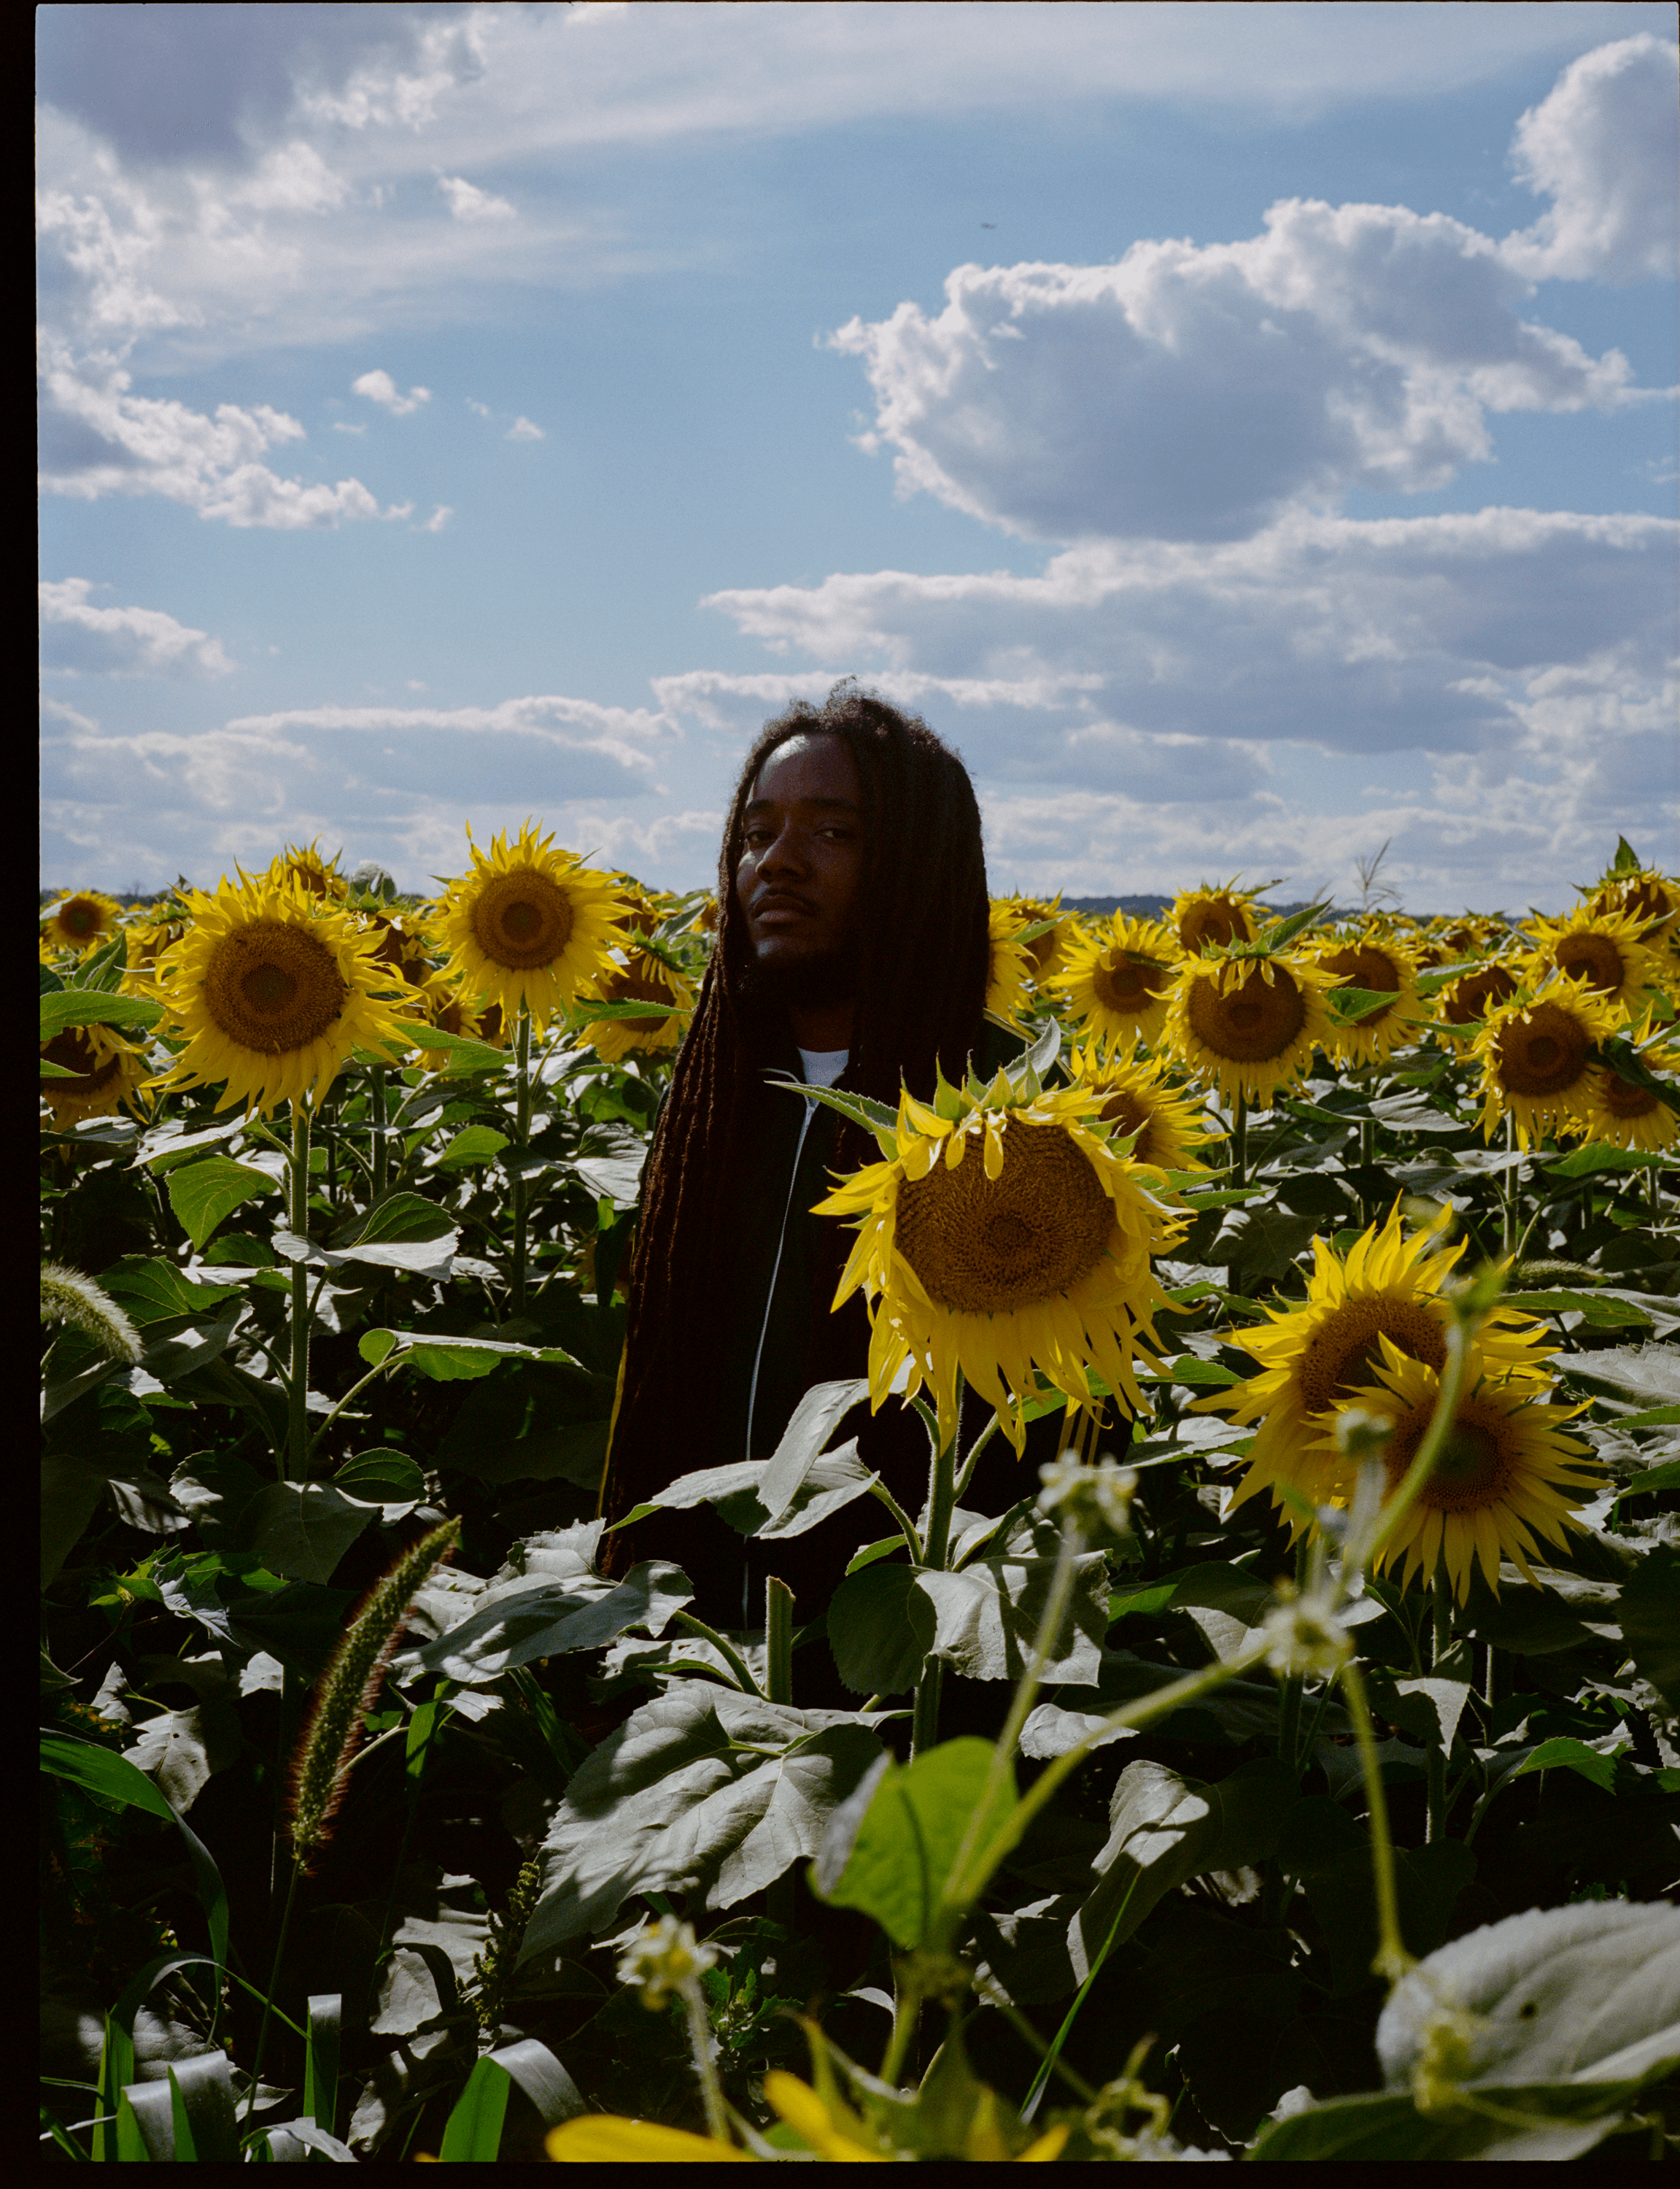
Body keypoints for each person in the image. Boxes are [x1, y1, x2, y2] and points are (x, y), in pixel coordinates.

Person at [597, 684, 1060, 1632]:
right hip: (693, 1651)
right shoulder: (718, 1100)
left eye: (832, 834)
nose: (776, 862)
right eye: (755, 832)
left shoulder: (1006, 1114)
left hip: (897, 1674)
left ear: (915, 866)